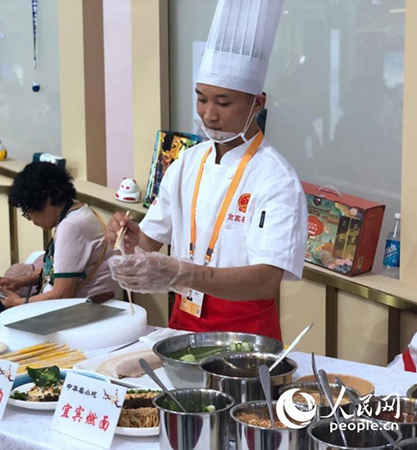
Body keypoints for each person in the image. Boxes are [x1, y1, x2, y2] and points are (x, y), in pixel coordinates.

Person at [107, 0, 308, 342]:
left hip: (244, 334)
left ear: (258, 104)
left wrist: (183, 272)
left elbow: (265, 281)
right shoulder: (187, 161)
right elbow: (150, 240)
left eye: (223, 102)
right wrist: (128, 237)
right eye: (201, 99)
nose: (209, 115)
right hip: (183, 318)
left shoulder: (277, 179)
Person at [0, 161, 120, 308]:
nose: (32, 220)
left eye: (28, 211)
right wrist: (18, 282)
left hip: (80, 312)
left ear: (47, 199)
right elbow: (58, 271)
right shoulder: (81, 211)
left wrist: (18, 303)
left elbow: (62, 295)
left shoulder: (70, 227)